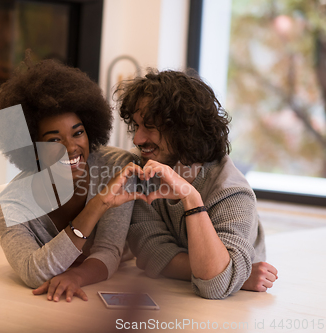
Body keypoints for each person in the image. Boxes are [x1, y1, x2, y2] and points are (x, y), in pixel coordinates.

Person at [0, 59, 146, 303]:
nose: (71, 148)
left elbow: (109, 251)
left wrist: (77, 276)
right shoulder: (8, 207)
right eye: (54, 140)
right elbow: (33, 272)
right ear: (32, 147)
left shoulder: (118, 168)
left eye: (78, 132)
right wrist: (98, 204)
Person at [117, 69, 278, 299]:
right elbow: (151, 255)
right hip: (174, 299)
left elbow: (214, 286)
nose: (137, 139)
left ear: (184, 129)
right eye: (137, 126)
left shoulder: (232, 192)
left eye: (150, 127)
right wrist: (235, 275)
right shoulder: (142, 172)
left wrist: (189, 196)